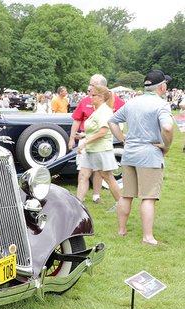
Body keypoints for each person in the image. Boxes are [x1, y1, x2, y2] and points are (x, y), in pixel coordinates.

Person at [108, 70, 174, 246]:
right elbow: (167, 128)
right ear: (162, 86)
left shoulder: (132, 102)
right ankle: (148, 237)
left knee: (126, 195)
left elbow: (112, 121)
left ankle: (121, 231)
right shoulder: (161, 104)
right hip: (149, 154)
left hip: (129, 153)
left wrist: (122, 139)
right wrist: (167, 145)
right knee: (149, 197)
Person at [69, 74, 125, 203]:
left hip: (100, 149)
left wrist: (84, 143)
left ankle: (121, 204)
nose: (90, 96)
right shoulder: (97, 109)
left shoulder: (104, 111)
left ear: (100, 97)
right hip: (90, 148)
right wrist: (83, 136)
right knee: (83, 174)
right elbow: (93, 127)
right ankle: (78, 204)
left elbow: (103, 131)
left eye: (93, 94)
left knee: (107, 177)